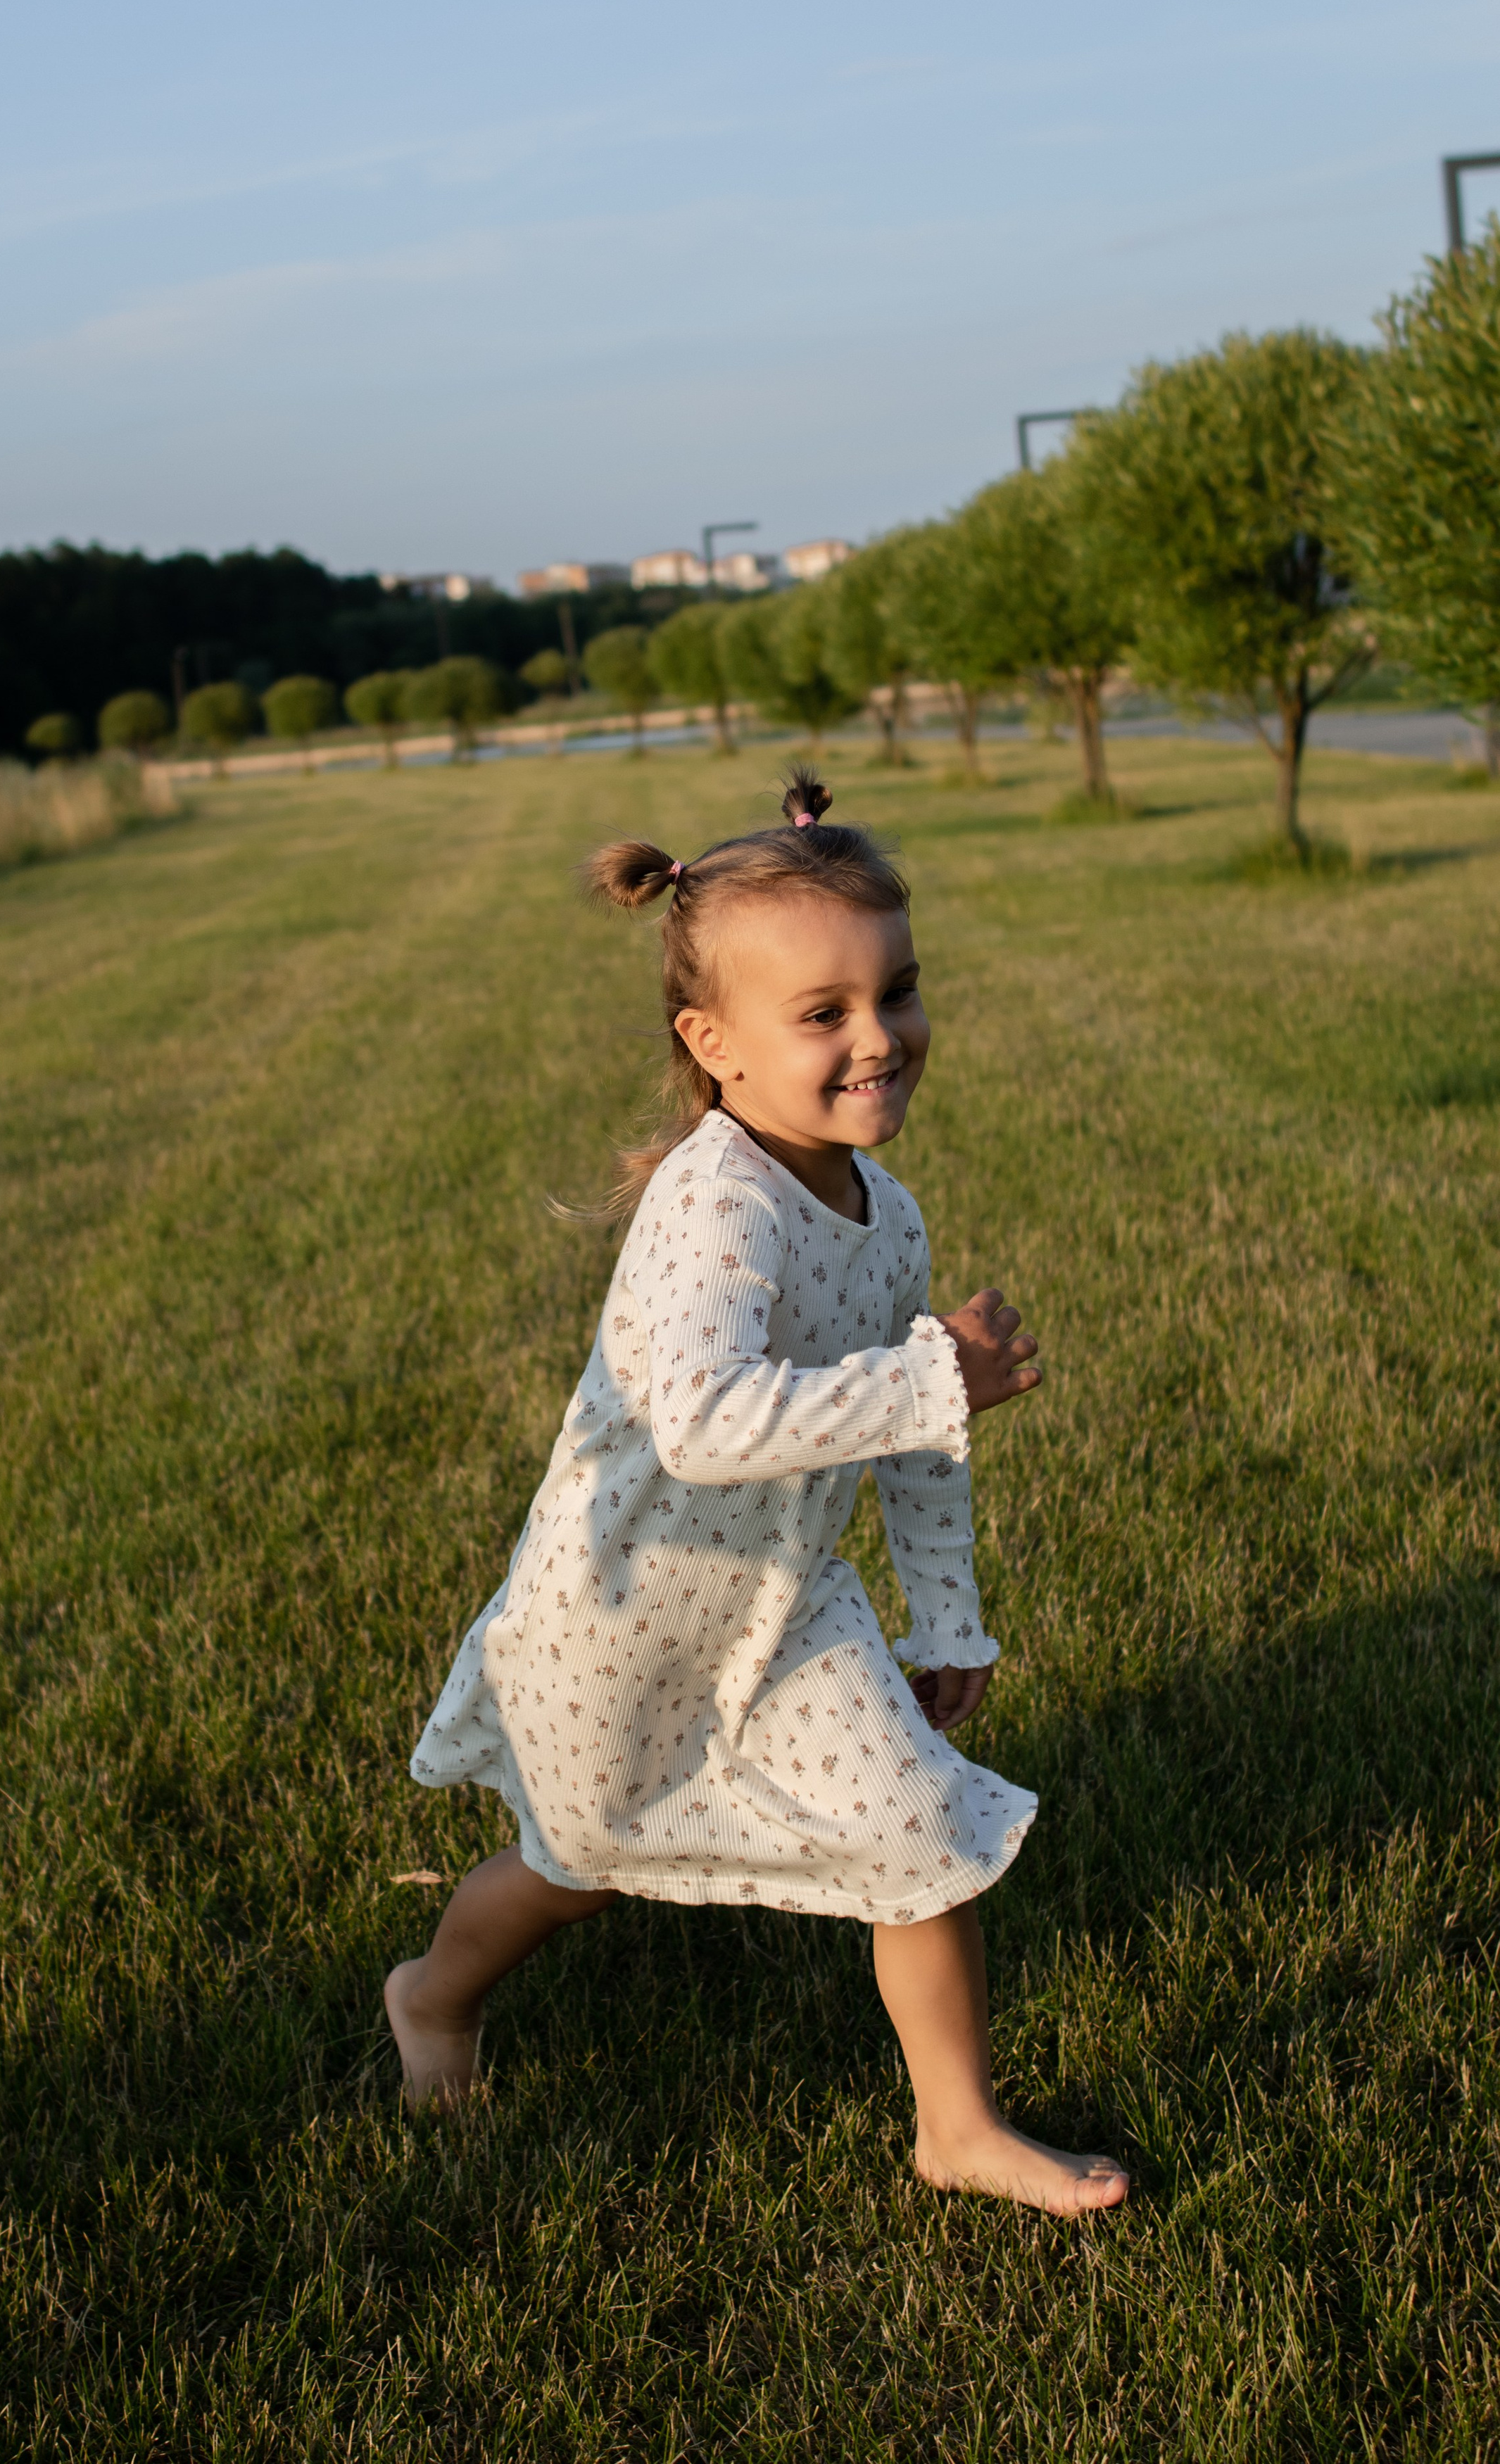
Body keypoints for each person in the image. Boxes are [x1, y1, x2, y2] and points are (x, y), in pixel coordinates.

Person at [387, 767, 1128, 2216]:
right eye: (822, 1015)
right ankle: (430, 1995)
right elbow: (705, 1423)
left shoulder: (882, 1211)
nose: (878, 1038)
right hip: (620, 1616)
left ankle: (955, 2125)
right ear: (710, 1044)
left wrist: (947, 1620)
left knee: (920, 1832)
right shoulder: (710, 1204)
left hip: (787, 1607)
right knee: (580, 1863)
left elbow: (913, 1441)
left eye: (896, 993)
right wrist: (934, 1378)